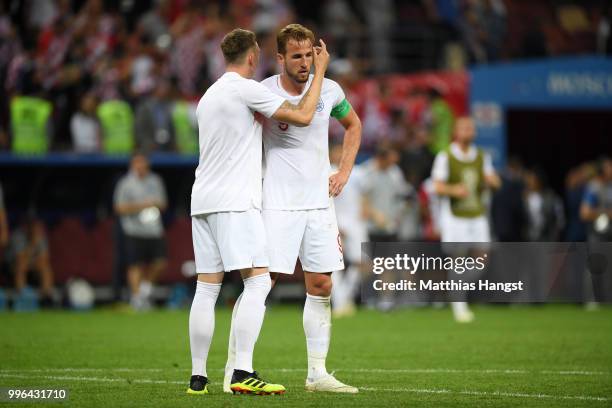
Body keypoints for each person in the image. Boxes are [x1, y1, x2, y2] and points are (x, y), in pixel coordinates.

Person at [188, 28, 329, 396]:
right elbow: (302, 116)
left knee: (206, 289)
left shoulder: (208, 96)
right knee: (259, 282)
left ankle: (198, 378)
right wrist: (321, 73)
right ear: (252, 57)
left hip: (202, 200)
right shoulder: (247, 88)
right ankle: (242, 372)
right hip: (236, 201)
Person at [222, 24, 361, 394]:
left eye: (309, 55)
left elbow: (353, 125)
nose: (304, 62)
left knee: (321, 283)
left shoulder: (330, 91)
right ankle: (234, 368)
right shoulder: (263, 91)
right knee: (260, 283)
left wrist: (344, 170)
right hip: (276, 204)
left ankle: (317, 374)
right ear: (280, 58)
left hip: (319, 205)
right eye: (296, 56)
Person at [431, 116, 500, 322]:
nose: (468, 131)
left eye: (471, 128)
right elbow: (437, 186)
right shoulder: (445, 156)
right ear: (456, 131)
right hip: (455, 216)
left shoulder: (481, 156)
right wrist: (454, 189)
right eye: (464, 128)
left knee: (482, 259)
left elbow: (495, 181)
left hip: (477, 214)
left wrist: (493, 181)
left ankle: (455, 290)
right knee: (458, 259)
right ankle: (459, 304)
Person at [113, 153, 167, 311]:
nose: (141, 166)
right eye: (137, 163)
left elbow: (163, 204)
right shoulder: (125, 183)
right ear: (132, 165)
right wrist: (142, 205)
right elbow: (119, 208)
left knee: (160, 262)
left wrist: (155, 204)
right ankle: (137, 299)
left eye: (143, 163)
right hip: (133, 230)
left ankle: (144, 291)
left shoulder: (155, 181)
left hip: (154, 229)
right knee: (135, 264)